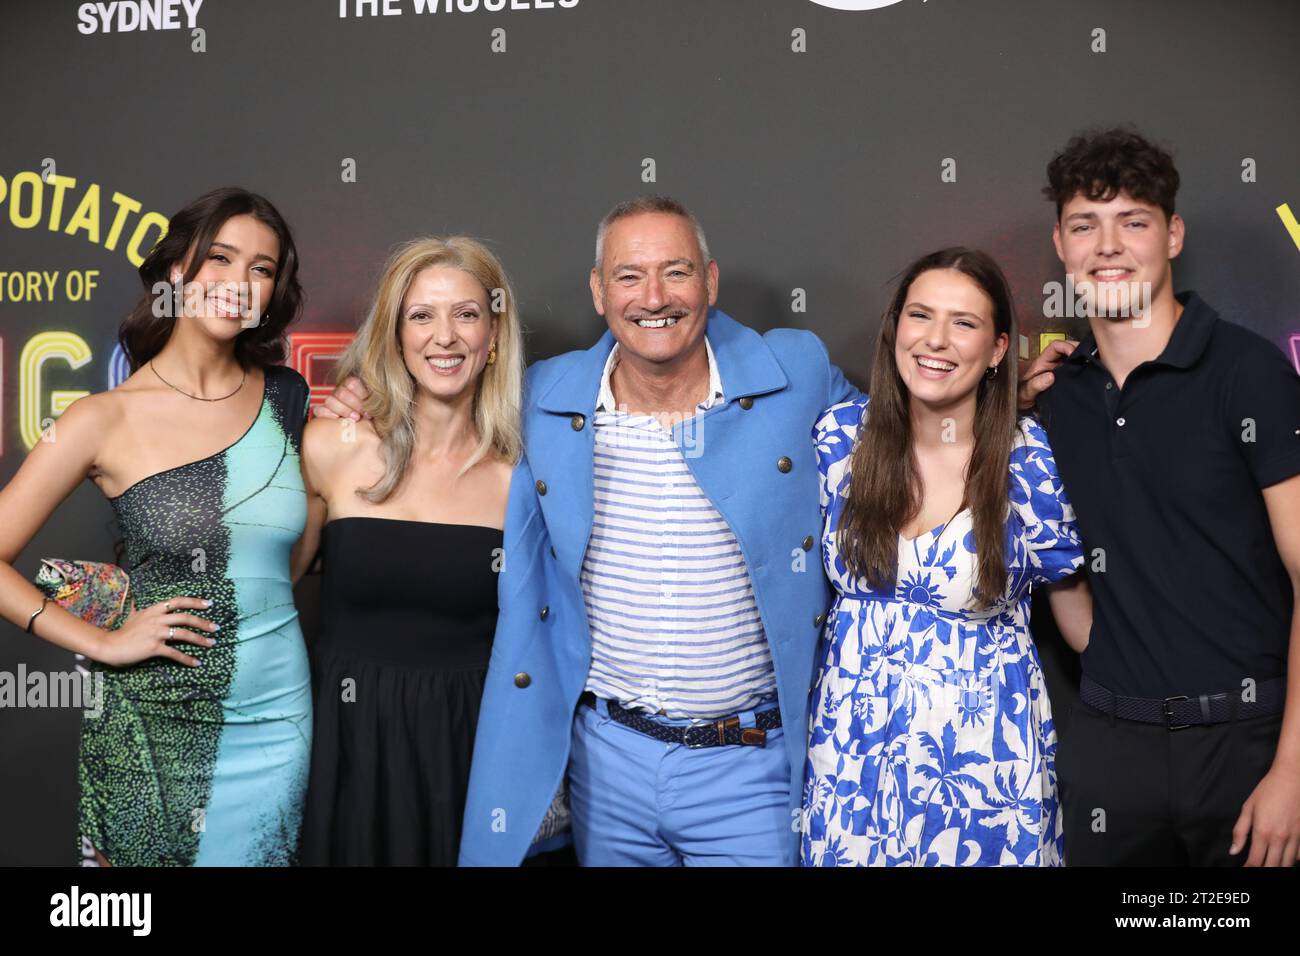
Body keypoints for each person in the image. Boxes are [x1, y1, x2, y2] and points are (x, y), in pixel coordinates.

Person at [319, 196, 860, 866]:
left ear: (711, 283)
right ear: (599, 292)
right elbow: (441, 394)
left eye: (677, 272)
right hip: (607, 769)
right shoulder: (548, 399)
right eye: (629, 276)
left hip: (749, 769)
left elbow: (902, 437)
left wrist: (991, 393)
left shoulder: (793, 373)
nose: (654, 297)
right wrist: (360, 393)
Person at [0, 187, 313, 866]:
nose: (239, 283)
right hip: (155, 718)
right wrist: (103, 642)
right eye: (220, 259)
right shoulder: (101, 418)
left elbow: (293, 549)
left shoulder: (290, 396)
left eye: (261, 269)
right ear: (176, 272)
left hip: (278, 711)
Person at [1020, 128, 1300, 866]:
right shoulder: (1055, 397)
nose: (1108, 246)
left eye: (1133, 222)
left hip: (1249, 748)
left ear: (1172, 236)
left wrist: (1293, 770)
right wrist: (1007, 400)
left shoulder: (1250, 373)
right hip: (1112, 748)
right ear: (1062, 243)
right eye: (1086, 224)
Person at [801, 248, 1091, 867]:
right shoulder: (838, 438)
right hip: (853, 764)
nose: (936, 339)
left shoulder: (1029, 459)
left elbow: (1079, 621)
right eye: (920, 315)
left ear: (997, 350)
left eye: (964, 323)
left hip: (988, 771)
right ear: (895, 329)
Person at [292, 237, 522, 866]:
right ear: (394, 335)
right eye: (422, 315)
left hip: (471, 751)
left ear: (494, 333)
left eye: (467, 315)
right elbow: (264, 593)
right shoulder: (331, 447)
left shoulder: (524, 480)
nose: (444, 337)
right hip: (347, 744)